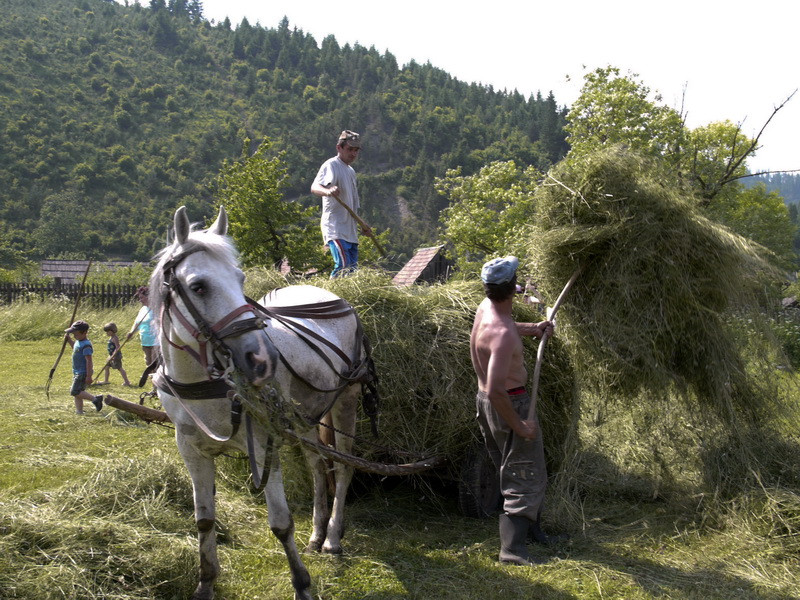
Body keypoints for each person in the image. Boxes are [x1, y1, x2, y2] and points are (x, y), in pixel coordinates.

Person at [470, 256, 566, 566]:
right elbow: (498, 388)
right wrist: (521, 425)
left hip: (485, 403)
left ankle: (531, 531)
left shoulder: (486, 310)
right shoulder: (503, 334)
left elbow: (508, 327)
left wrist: (534, 328)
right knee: (524, 472)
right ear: (514, 288)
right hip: (507, 402)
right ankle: (512, 551)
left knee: (509, 466)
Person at [310, 129, 372, 278]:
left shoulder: (351, 171)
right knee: (343, 266)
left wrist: (363, 226)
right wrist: (328, 191)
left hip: (350, 231)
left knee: (352, 272)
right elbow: (314, 187)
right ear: (339, 148)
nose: (353, 153)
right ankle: (332, 297)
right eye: (350, 149)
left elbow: (351, 206)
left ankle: (346, 299)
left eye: (356, 150)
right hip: (336, 227)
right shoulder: (331, 165)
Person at [64, 320, 104, 415]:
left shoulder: (86, 345)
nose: (74, 336)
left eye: (76, 334)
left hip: (83, 372)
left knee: (75, 391)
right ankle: (79, 411)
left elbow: (89, 361)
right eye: (73, 334)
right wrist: (69, 340)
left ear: (84, 333)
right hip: (77, 371)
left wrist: (89, 376)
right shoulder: (78, 341)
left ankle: (95, 399)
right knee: (79, 392)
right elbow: (75, 348)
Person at [127, 286, 159, 367]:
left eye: (142, 297)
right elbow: (137, 323)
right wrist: (131, 333)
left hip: (156, 341)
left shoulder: (157, 309)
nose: (140, 300)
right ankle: (152, 378)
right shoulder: (143, 309)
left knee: (155, 364)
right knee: (148, 363)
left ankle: (158, 378)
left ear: (148, 297)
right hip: (145, 341)